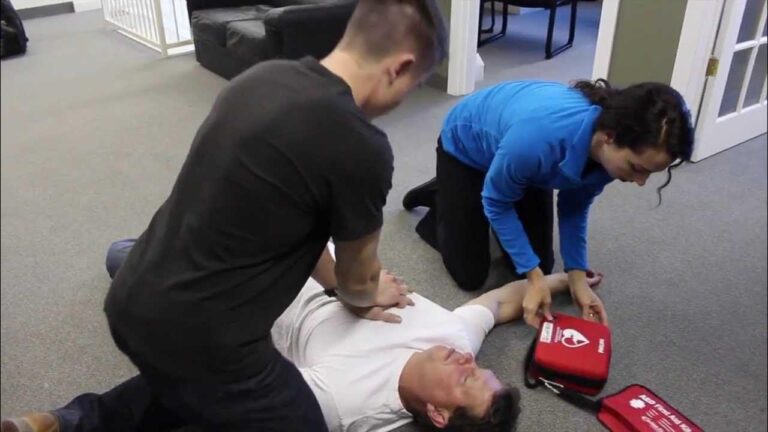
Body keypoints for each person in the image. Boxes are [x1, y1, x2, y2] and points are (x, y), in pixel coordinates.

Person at [1, 1, 447, 431]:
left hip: (134, 296)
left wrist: (338, 283)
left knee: (194, 388)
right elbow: (357, 284)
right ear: (400, 68)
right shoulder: (361, 146)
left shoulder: (263, 78)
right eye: (414, 86)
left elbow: (301, 222)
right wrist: (370, 291)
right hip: (203, 337)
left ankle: (64, 424)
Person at [402, 79, 694, 329]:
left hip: (527, 164)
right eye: (636, 168)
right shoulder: (538, 140)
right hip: (466, 147)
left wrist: (576, 277)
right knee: (470, 274)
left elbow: (575, 207)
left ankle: (485, 186)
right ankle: (444, 194)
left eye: (649, 173)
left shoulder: (608, 158)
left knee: (541, 264)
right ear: (609, 137)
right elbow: (498, 204)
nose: (640, 181)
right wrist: (534, 277)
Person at [271, 244, 604, 431]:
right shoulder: (456, 342)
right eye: (480, 368)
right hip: (332, 244)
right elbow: (500, 302)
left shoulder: (345, 403)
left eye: (466, 378)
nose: (468, 360)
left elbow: (239, 393)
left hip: (265, 270)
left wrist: (355, 293)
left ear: (438, 413)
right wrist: (566, 282)